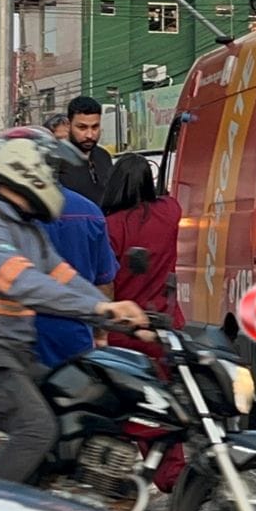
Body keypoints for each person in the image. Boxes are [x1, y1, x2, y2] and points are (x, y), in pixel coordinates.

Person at [0, 130, 148, 483]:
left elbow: (65, 279)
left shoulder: (29, 231)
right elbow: (26, 283)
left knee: (75, 405)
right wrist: (100, 311)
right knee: (35, 427)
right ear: (25, 168)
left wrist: (118, 311)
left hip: (10, 354)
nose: (54, 180)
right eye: (49, 168)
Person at [15, 126, 118, 369]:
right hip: (75, 335)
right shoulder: (90, 212)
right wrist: (101, 334)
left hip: (23, 337)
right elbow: (104, 283)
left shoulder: (12, 214)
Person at [101, 153, 184, 360]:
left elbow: (106, 283)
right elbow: (169, 198)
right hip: (166, 324)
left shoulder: (109, 226)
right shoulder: (169, 211)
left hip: (124, 329)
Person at [58, 96, 113, 204]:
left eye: (95, 127)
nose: (90, 135)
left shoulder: (104, 156)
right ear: (69, 125)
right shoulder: (55, 159)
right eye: (82, 128)